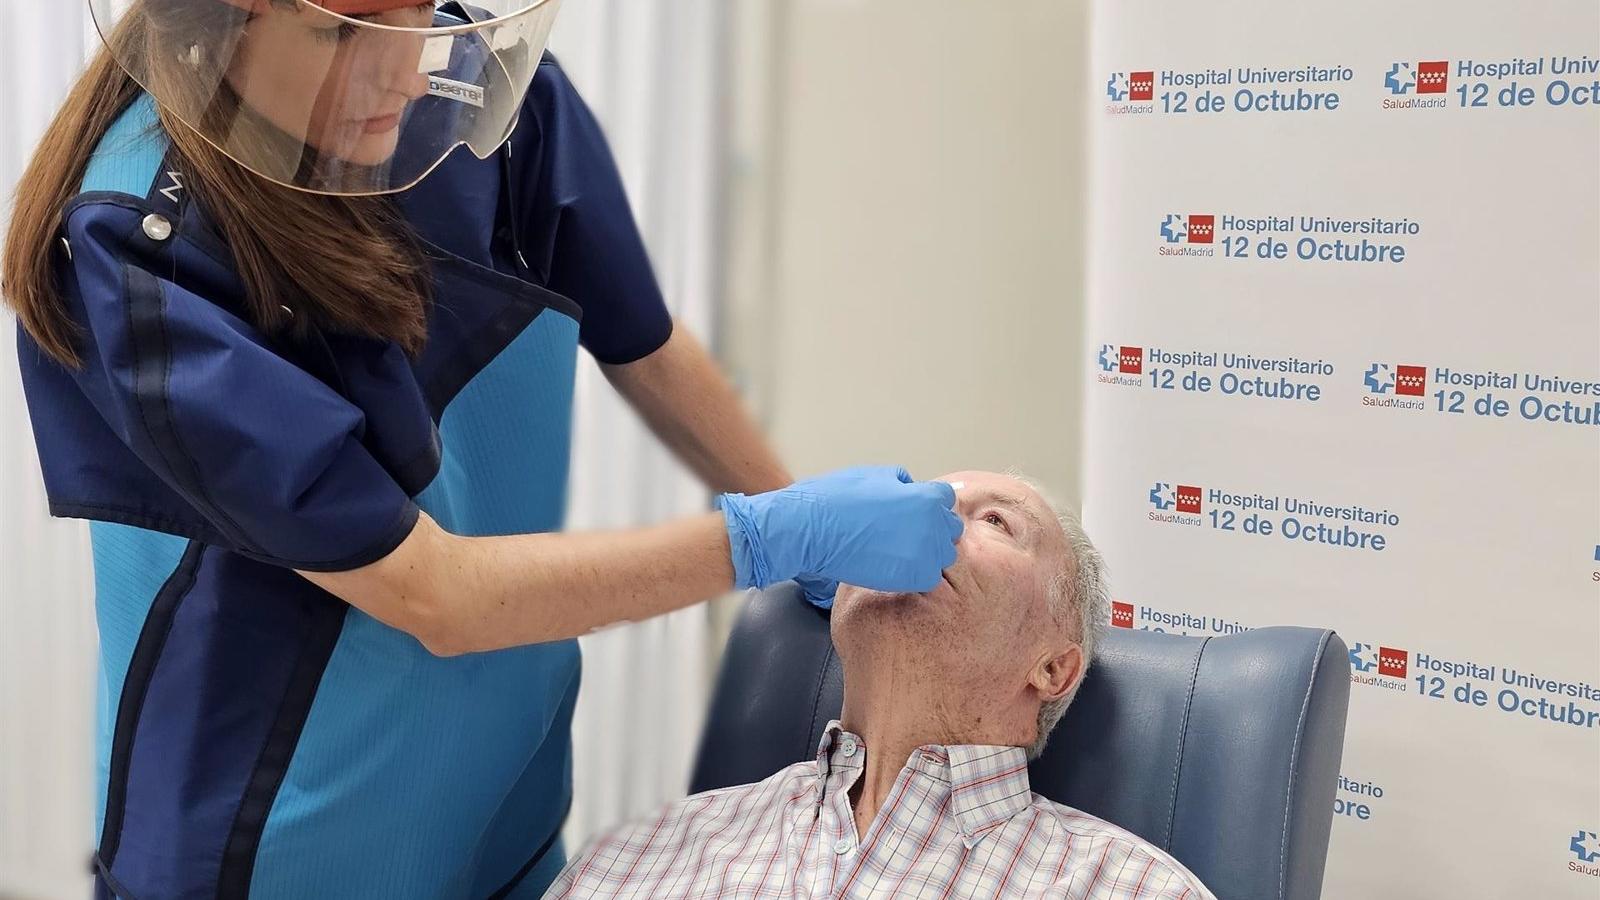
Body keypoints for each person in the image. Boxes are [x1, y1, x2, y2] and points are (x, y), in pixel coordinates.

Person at [0, 2, 964, 897]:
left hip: (504, 799)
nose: (410, 74)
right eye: (349, 33)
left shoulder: (477, 92)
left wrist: (817, 542)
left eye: (424, 11)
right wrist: (770, 538)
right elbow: (435, 595)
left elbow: (647, 347)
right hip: (277, 834)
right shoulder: (138, 242)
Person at [545, 471, 1216, 900]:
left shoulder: (1130, 889)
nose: (923, 523)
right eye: (919, 501)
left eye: (995, 522)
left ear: (1052, 668)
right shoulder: (638, 858)